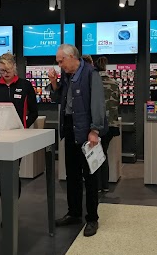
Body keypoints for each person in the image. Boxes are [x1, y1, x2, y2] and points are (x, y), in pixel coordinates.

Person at [48, 44, 106, 237]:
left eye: (60, 61)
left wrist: (94, 130)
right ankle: (74, 213)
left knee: (89, 176)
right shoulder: (66, 76)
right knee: (71, 175)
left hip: (86, 131)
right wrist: (54, 83)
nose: (59, 65)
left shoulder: (90, 73)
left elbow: (98, 103)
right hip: (70, 129)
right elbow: (58, 99)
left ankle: (92, 218)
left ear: (72, 56)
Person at [0, 53, 38, 200]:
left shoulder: (25, 86)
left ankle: (13, 204)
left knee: (13, 172)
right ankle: (6, 205)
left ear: (14, 67)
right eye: (1, 71)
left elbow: (34, 112)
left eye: (7, 70)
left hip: (18, 138)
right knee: (0, 173)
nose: (5, 73)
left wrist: (24, 127)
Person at [95, 56, 120, 192]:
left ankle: (98, 185)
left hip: (98, 125)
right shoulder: (114, 83)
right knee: (103, 152)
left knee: (97, 154)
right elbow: (117, 103)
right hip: (111, 125)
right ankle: (104, 184)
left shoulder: (93, 83)